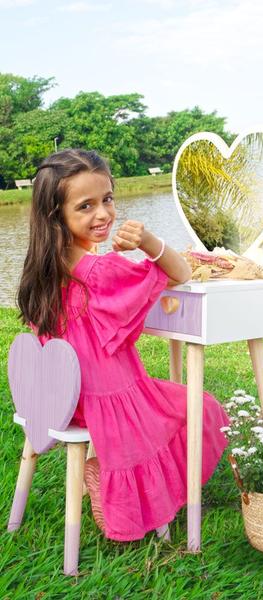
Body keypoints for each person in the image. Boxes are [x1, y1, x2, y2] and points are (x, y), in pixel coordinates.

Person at [17, 148, 229, 542]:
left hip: (63, 398)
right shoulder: (101, 271)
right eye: (86, 206)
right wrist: (149, 241)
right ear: (56, 215)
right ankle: (147, 496)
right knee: (204, 407)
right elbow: (179, 273)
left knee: (184, 403)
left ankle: (115, 479)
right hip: (110, 400)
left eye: (107, 200)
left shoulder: (42, 271)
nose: (103, 214)